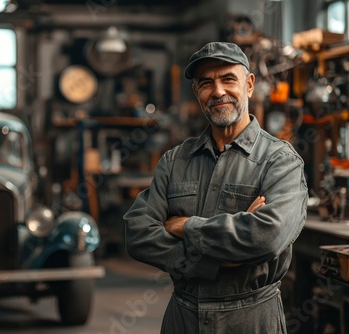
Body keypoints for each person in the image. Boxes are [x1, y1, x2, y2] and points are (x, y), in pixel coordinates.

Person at [123, 42, 308, 333]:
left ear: (248, 85)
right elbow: (138, 233)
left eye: (228, 79)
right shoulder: (175, 161)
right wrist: (215, 261)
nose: (218, 91)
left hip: (251, 319)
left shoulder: (280, 162)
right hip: (183, 319)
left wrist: (184, 227)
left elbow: (266, 237)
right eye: (206, 83)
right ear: (197, 92)